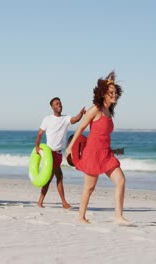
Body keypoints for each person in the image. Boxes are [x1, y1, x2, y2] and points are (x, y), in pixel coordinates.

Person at [65, 71, 130, 225]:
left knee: (120, 181)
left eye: (115, 92)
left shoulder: (109, 111)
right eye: (111, 92)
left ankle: (119, 216)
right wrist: (70, 148)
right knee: (89, 188)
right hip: (93, 154)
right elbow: (80, 128)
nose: (114, 95)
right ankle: (81, 217)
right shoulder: (95, 109)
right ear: (103, 94)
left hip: (106, 154)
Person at [35, 97, 85, 209]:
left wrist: (81, 114)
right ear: (52, 107)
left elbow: (75, 119)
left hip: (58, 154)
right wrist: (37, 147)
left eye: (60, 103)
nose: (59, 105)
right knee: (57, 177)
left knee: (53, 177)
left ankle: (41, 202)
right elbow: (39, 135)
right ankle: (62, 203)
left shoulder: (65, 119)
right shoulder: (47, 119)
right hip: (49, 153)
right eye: (57, 104)